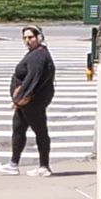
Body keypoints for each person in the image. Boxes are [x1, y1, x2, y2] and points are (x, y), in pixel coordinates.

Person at [7, 22, 59, 172]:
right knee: (18, 129)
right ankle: (13, 164)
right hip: (26, 103)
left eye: (31, 37)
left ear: (39, 37)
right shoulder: (34, 53)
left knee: (40, 131)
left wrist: (19, 98)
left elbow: (32, 78)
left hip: (33, 102)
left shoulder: (39, 56)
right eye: (25, 38)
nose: (27, 41)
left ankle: (44, 166)